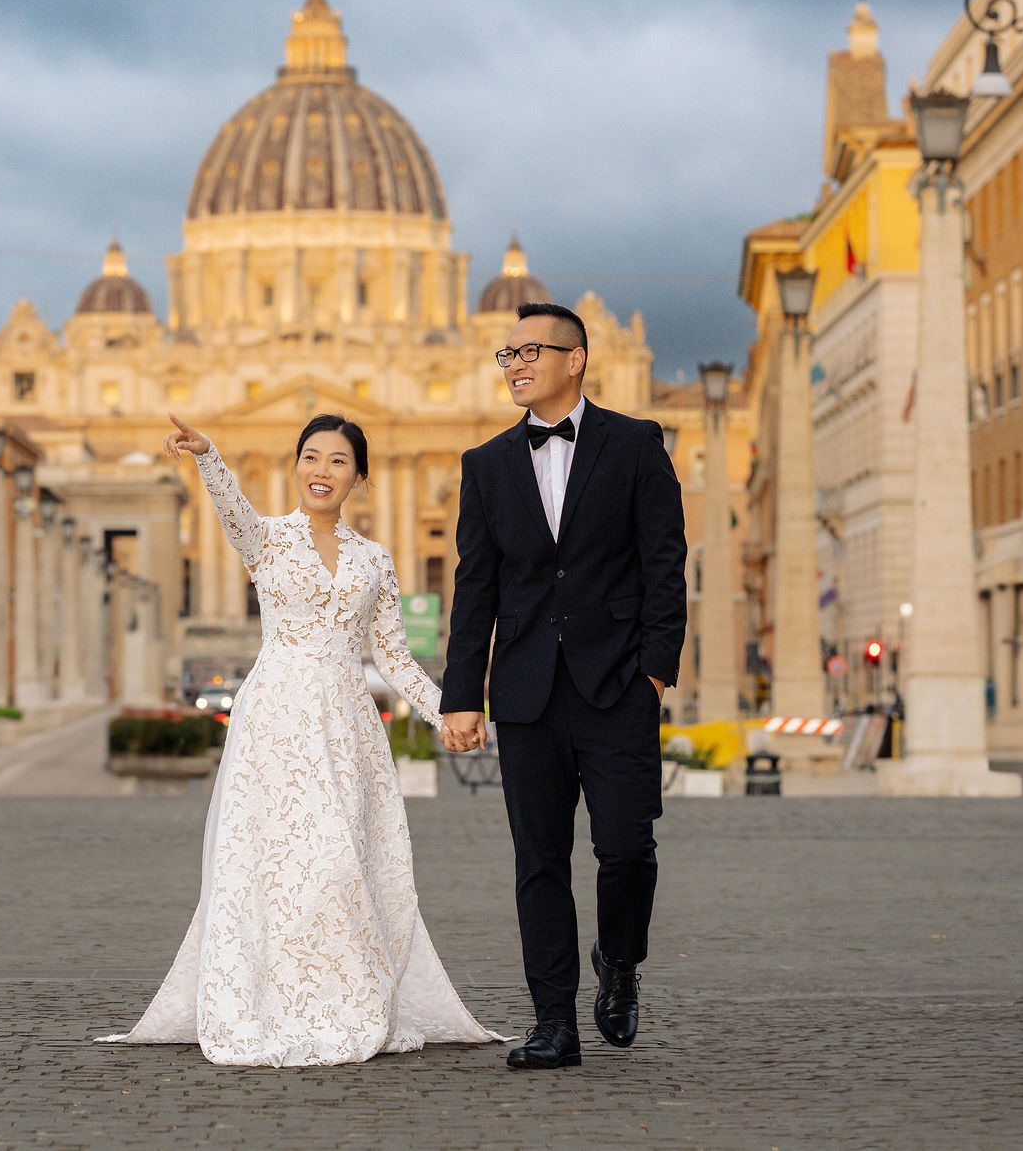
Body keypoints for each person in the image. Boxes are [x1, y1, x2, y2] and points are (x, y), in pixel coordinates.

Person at [100, 412, 504, 1066]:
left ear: (359, 476)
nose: (322, 470)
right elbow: (232, 512)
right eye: (311, 456)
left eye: (338, 460)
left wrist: (448, 710)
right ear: (296, 466)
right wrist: (209, 456)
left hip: (346, 723)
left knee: (341, 861)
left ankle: (342, 996)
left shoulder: (375, 559)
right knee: (280, 862)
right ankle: (274, 999)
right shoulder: (266, 539)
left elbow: (395, 657)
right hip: (277, 718)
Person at [442, 301, 687, 1070]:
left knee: (626, 849)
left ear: (574, 359)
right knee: (538, 858)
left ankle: (619, 961)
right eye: (506, 354)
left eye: (528, 351)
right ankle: (553, 1021)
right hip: (525, 692)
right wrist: (460, 692)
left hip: (617, 685)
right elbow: (474, 585)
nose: (513, 364)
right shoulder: (485, 464)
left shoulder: (637, 444)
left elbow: (665, 565)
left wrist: (654, 672)